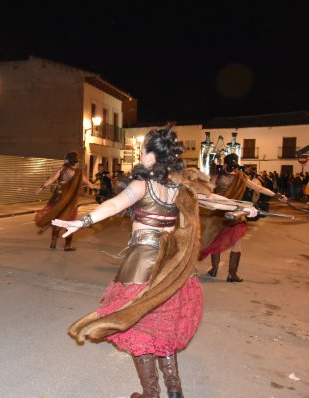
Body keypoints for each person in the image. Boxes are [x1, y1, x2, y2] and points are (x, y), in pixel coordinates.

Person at [52, 128, 258, 398]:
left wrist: (83, 221)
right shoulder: (180, 184)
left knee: (139, 323)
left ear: (152, 154)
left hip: (144, 259)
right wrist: (240, 206)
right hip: (172, 263)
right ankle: (174, 388)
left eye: (143, 149)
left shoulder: (143, 184)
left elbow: (114, 205)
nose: (140, 153)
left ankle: (150, 393)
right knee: (164, 323)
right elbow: (212, 199)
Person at [202, 153, 286, 282]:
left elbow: (207, 193)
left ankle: (214, 269)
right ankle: (232, 275)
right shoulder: (242, 177)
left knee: (216, 242)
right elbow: (259, 188)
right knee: (236, 243)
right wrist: (276, 195)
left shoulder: (217, 177)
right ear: (236, 165)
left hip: (219, 215)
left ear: (225, 164)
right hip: (236, 215)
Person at [34, 151, 94, 251]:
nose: (63, 159)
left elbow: (52, 179)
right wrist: (94, 187)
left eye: (65, 158)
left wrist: (41, 188)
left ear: (67, 160)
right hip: (70, 202)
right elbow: (88, 183)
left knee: (57, 219)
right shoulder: (78, 173)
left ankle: (53, 242)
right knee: (70, 221)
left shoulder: (62, 170)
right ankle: (67, 245)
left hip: (59, 199)